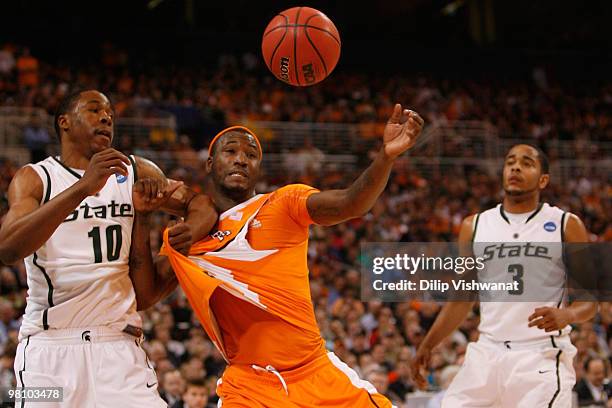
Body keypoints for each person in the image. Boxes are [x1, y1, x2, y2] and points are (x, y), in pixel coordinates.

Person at [159, 104, 424, 407]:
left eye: (251, 155)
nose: (241, 160)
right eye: (230, 152)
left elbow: (350, 203)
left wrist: (386, 156)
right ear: (209, 163)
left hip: (315, 372)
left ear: (259, 168)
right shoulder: (191, 232)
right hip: (249, 386)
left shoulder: (283, 203)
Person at [0, 89, 216, 407]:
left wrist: (186, 233)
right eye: (93, 110)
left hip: (118, 346)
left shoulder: (134, 171)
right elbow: (7, 248)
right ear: (64, 123)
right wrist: (83, 187)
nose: (106, 118)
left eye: (110, 115)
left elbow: (203, 206)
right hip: (47, 353)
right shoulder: (36, 178)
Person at [411, 144, 598, 407]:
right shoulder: (474, 226)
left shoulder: (565, 224)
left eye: (527, 163)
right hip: (486, 352)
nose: (516, 167)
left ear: (543, 179)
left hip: (540, 354)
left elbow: (590, 299)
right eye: (510, 162)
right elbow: (462, 299)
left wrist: (568, 315)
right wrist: (428, 344)